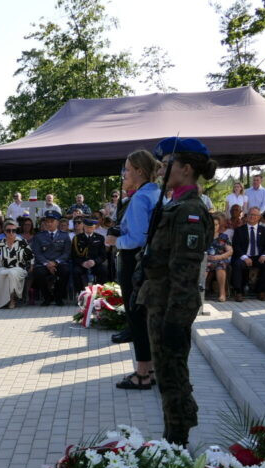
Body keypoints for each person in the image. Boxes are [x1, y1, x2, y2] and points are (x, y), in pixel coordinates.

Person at [135, 137, 216, 446]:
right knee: (167, 373)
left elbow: (184, 270)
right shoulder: (174, 204)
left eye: (167, 165)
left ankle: (178, 438)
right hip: (160, 298)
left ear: (186, 168)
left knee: (172, 374)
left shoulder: (190, 210)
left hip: (172, 303)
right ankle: (172, 433)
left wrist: (175, 320)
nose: (161, 170)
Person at [107, 149, 160, 391]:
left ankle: (142, 373)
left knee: (136, 316)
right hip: (147, 262)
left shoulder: (140, 198)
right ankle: (149, 369)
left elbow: (138, 238)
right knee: (143, 316)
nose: (124, 174)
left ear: (139, 171)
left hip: (133, 260)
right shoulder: (155, 193)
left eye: (127, 169)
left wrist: (114, 241)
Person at [231, 207, 265, 302]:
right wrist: (245, 257)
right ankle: (238, 292)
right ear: (246, 216)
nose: (252, 217)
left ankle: (261, 291)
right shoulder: (239, 230)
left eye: (255, 215)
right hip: (244, 256)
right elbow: (236, 246)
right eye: (250, 214)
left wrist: (264, 255)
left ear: (259, 217)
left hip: (259, 257)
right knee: (237, 264)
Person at [0, 219, 33, 309]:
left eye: (13, 230)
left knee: (11, 273)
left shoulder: (22, 241)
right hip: (4, 267)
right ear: (4, 231)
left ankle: (12, 299)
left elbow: (31, 256)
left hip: (18, 268)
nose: (11, 232)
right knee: (0, 273)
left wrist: (31, 266)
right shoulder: (0, 243)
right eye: (8, 230)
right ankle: (2, 301)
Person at [31, 212, 71, 305]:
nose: (49, 223)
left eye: (52, 221)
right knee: (38, 273)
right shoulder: (39, 236)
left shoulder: (64, 235)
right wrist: (47, 263)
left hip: (59, 263)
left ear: (57, 223)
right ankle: (47, 297)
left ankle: (58, 297)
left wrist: (55, 262)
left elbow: (66, 253)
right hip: (43, 263)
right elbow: (37, 252)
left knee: (65, 271)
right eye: (47, 221)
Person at [70, 218, 109, 287]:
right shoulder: (77, 238)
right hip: (82, 264)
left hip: (95, 264)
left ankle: (100, 292)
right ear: (84, 227)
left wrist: (95, 262)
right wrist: (82, 263)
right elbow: (73, 255)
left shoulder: (100, 238)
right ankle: (80, 293)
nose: (89, 229)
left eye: (91, 227)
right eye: (87, 227)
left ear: (94, 227)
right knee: (75, 272)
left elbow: (103, 255)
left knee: (103, 270)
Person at [204, 214, 233, 301]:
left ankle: (222, 294)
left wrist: (219, 257)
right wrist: (205, 256)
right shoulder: (204, 236)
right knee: (204, 266)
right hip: (206, 259)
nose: (214, 226)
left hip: (219, 259)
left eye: (216, 224)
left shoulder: (223, 237)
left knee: (220, 267)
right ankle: (200, 293)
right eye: (212, 224)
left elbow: (230, 251)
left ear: (219, 225)